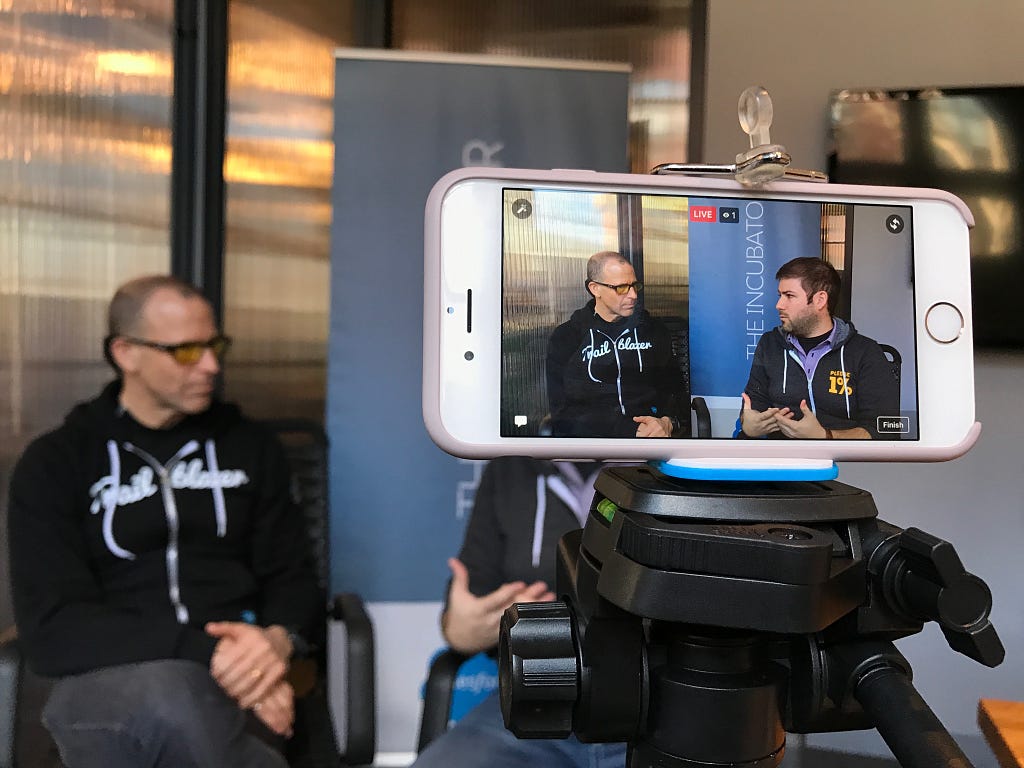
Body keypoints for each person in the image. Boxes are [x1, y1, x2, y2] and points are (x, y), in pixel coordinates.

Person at [7, 275, 322, 768]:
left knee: (188, 711)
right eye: (187, 352)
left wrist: (272, 650)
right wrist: (208, 654)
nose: (211, 366)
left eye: (215, 347)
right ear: (126, 353)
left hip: (244, 679)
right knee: (173, 699)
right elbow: (54, 623)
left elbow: (293, 578)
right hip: (107, 679)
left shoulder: (250, 448)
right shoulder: (56, 463)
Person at [412, 458, 627, 768]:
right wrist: (468, 629)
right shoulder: (510, 466)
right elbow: (461, 619)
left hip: (656, 710)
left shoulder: (674, 462)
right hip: (530, 706)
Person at [739, 257, 899, 440]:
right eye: (780, 295)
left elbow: (886, 430)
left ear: (820, 300)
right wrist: (748, 425)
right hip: (783, 455)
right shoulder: (770, 344)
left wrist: (825, 436)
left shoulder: (866, 353)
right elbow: (752, 405)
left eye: (789, 296)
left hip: (844, 456)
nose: (779, 305)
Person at [545, 251, 684, 438]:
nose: (633, 295)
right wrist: (628, 429)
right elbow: (563, 411)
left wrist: (668, 422)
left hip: (652, 438)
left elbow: (674, 390)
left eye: (635, 286)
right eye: (622, 288)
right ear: (595, 288)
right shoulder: (567, 337)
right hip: (593, 444)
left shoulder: (653, 330)